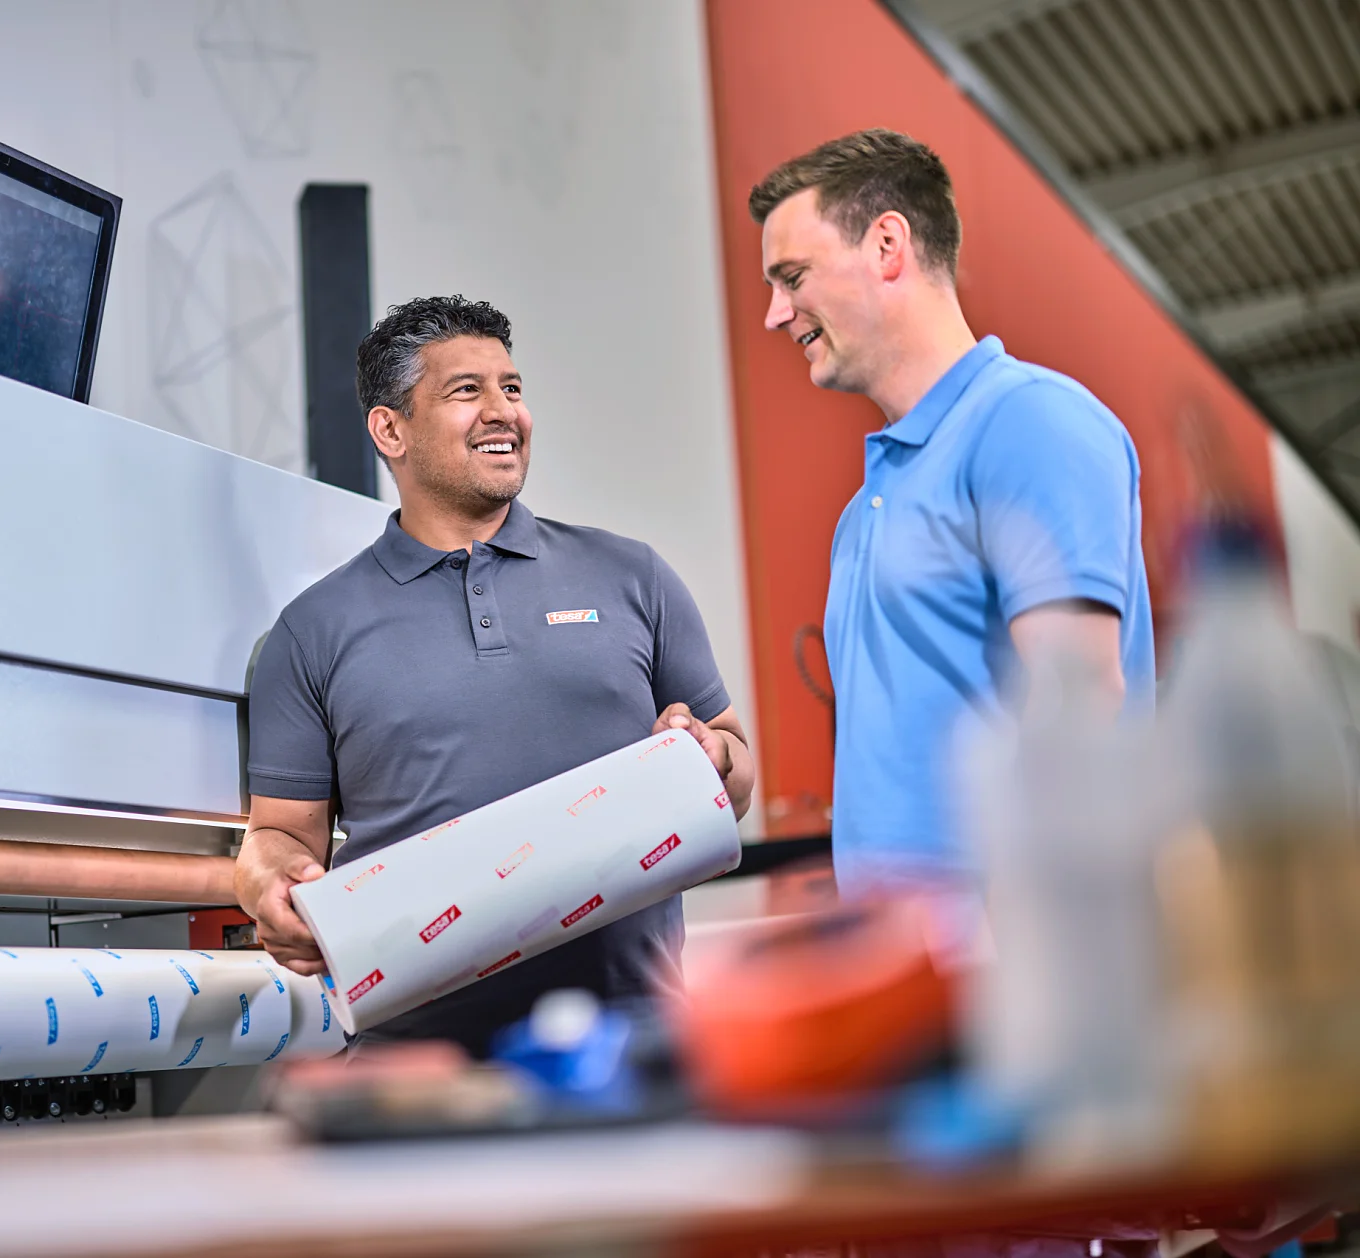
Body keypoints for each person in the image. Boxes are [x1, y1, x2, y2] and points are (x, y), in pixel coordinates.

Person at [234, 295, 755, 1057]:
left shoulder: (632, 576)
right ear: (390, 429)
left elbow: (735, 773)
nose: (503, 411)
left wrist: (712, 758)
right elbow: (277, 834)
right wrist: (271, 888)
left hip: (634, 1043)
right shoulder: (311, 631)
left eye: (511, 388)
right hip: (418, 1065)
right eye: (466, 391)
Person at [749, 129, 1154, 894]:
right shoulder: (863, 511)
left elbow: (1085, 720)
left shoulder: (1029, 424)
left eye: (792, 276)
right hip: (904, 972)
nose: (775, 313)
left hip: (1016, 964)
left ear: (887, 246)